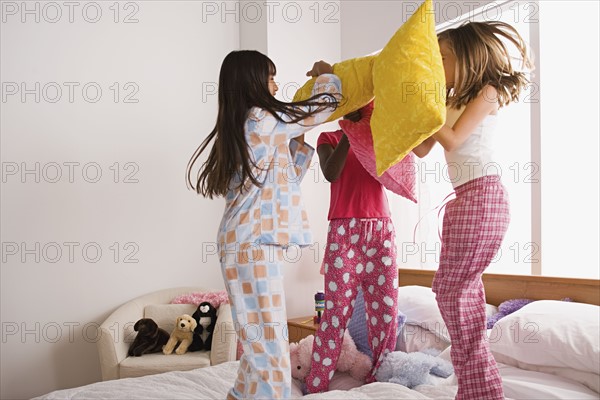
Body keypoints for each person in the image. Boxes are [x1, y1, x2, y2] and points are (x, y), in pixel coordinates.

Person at [186, 50, 342, 400]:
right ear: (251, 83)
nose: (275, 83)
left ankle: (241, 395)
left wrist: (297, 145)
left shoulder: (245, 124)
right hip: (251, 244)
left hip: (244, 243)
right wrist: (327, 76)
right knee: (270, 344)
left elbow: (280, 185)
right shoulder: (262, 117)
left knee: (258, 335)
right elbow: (325, 106)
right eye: (269, 77)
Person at [413, 21, 533, 400]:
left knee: (451, 291)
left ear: (466, 57)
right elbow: (421, 149)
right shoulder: (448, 101)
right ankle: (475, 386)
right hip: (466, 201)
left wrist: (425, 107)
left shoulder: (488, 92)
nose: (439, 65)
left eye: (443, 57)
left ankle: (482, 388)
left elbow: (451, 138)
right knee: (461, 294)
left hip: (483, 198)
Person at [305, 101, 399, 393]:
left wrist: (371, 133)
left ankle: (380, 379)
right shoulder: (329, 138)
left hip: (381, 229)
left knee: (385, 312)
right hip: (344, 231)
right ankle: (316, 384)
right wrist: (350, 131)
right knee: (335, 313)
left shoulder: (378, 141)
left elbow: (393, 172)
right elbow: (331, 173)